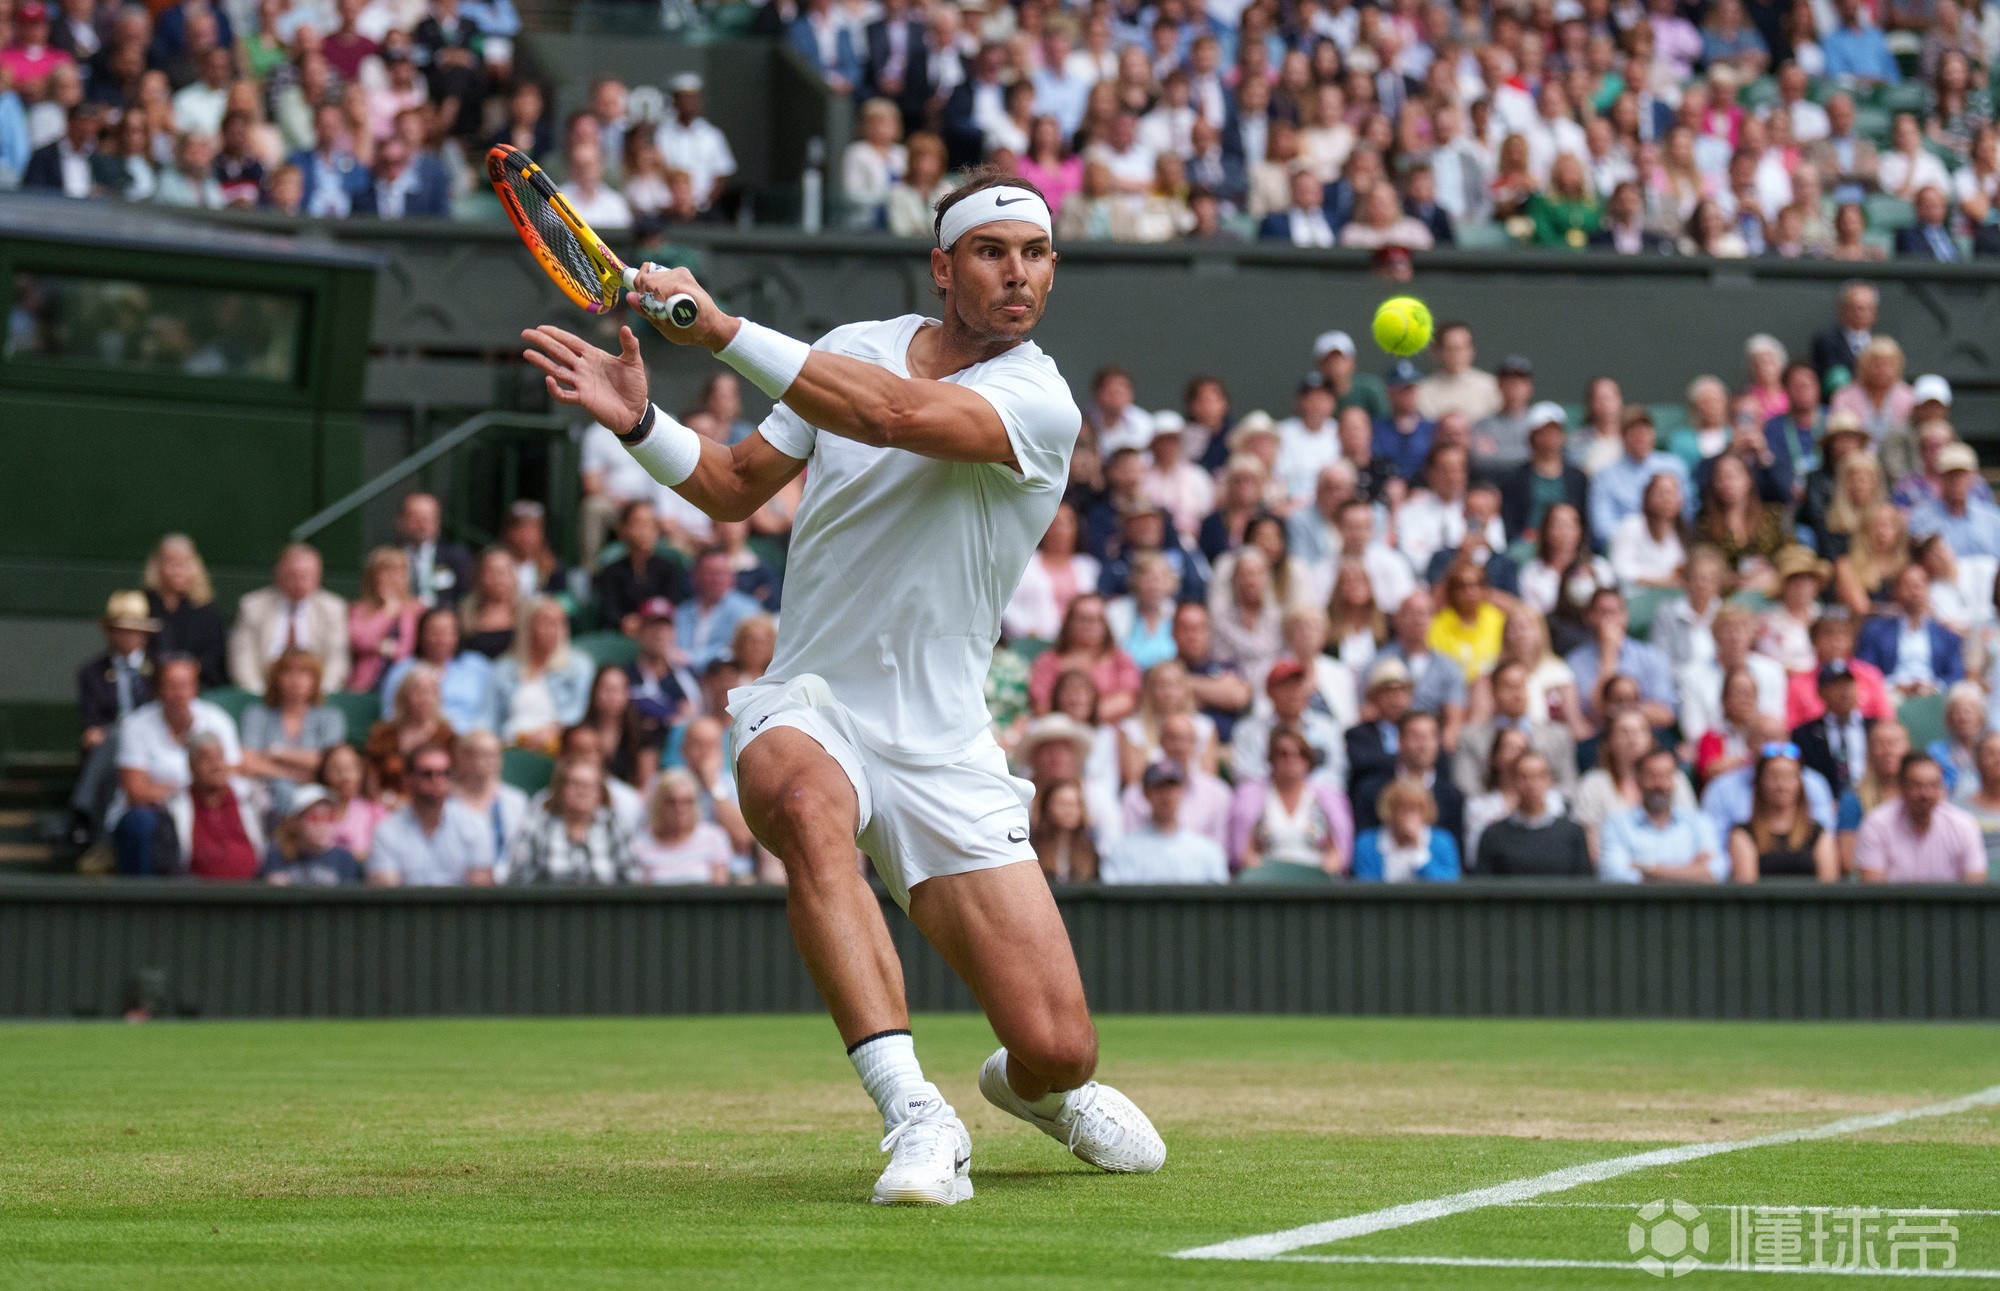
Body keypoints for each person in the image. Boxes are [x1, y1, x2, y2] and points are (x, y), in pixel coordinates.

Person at [521, 173, 1164, 1203]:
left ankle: (1031, 1091)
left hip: (945, 744)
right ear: (944, 267)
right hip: (812, 702)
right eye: (992, 252)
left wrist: (722, 329)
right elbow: (733, 487)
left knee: (1059, 1043)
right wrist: (642, 420)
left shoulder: (1038, 398)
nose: (1017, 273)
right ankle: (915, 1113)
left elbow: (889, 413)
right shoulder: (854, 345)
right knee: (799, 796)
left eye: (1034, 253)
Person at [108, 656, 241, 876]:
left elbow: (229, 775)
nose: (179, 693)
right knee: (140, 821)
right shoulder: (135, 726)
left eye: (185, 686)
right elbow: (137, 792)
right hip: (157, 815)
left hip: (205, 809)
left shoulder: (218, 720)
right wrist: (192, 787)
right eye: (171, 686)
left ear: (196, 688)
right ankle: (141, 901)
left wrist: (166, 787)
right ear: (158, 689)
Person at [1226, 726, 1352, 875]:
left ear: (1308, 759)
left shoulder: (1330, 797)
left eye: (1300, 754)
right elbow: (1244, 851)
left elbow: (1337, 852)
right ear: (1271, 758)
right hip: (1266, 881)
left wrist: (1318, 876)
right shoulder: (1249, 795)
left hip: (1315, 881)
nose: (1291, 760)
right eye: (1283, 754)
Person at [228, 543, 351, 694]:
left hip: (315, 696)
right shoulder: (252, 606)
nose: (299, 583)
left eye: (306, 576)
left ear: (318, 577)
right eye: (293, 575)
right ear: (278, 575)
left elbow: (337, 659)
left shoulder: (333, 608)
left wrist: (319, 693)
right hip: (262, 693)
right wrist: (258, 693)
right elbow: (242, 658)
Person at [367, 742, 495, 886]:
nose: (437, 780)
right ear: (408, 779)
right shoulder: (387, 830)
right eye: (427, 774)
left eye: (444, 773)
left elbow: (481, 889)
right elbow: (386, 891)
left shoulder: (474, 824)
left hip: (460, 908)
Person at [505, 756, 643, 884]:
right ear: (560, 789)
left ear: (600, 793)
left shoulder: (613, 824)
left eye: (590, 786)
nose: (582, 792)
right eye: (575, 784)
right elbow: (518, 879)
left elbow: (632, 878)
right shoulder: (536, 824)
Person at [1453, 659, 1580, 799]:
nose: (1518, 694)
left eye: (1522, 685)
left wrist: (1538, 808)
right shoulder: (1470, 738)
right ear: (1493, 691)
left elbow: (1568, 787)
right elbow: (1466, 788)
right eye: (1509, 686)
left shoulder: (1558, 735)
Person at [1855, 753, 1988, 882]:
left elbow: (1974, 887)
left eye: (1933, 785)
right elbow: (1873, 892)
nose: (1926, 794)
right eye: (1917, 786)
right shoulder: (1877, 824)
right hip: (1893, 905)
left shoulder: (1963, 825)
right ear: (1901, 787)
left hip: (1950, 905)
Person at [486, 597, 595, 752]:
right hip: (510, 744)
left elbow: (578, 712)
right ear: (528, 626)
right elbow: (488, 717)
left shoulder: (580, 666)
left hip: (558, 743)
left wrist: (551, 730)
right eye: (546, 622)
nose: (553, 629)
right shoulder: (503, 668)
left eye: (558, 623)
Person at [1600, 747, 1725, 883]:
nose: (1660, 785)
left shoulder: (1699, 822)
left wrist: (1649, 870)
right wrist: (1694, 870)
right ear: (1638, 780)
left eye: (1666, 776)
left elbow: (1718, 871)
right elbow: (1615, 873)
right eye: (1653, 776)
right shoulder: (1617, 824)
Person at [1099, 762, 1229, 884]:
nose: (1167, 796)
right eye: (1159, 788)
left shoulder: (1208, 851)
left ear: (1182, 792)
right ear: (1146, 793)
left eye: (1172, 787)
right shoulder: (1122, 850)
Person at [1566, 587, 1678, 729]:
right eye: (1604, 612)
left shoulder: (1652, 656)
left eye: (1616, 612)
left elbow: (1665, 714)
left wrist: (1623, 708)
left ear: (1625, 616)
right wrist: (1609, 655)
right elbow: (1597, 710)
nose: (1611, 619)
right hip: (1601, 739)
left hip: (1647, 736)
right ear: (1591, 617)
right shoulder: (1576, 661)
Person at [1727, 744, 1839, 881]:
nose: (1781, 785)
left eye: (1789, 776)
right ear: (1760, 782)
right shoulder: (1743, 834)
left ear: (1800, 783)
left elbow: (1828, 888)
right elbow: (1746, 890)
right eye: (1774, 776)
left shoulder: (1818, 833)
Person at [1471, 751, 1592, 877]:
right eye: (1524, 777)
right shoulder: (1493, 835)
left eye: (1539, 776)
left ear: (1549, 780)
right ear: (1513, 781)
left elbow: (1583, 886)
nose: (1531, 784)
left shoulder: (1572, 833)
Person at [239, 649, 346, 788]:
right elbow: (248, 762)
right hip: (265, 792)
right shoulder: (256, 714)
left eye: (304, 673)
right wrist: (297, 774)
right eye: (288, 672)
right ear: (276, 678)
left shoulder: (331, 716)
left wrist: (276, 753)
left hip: (318, 794)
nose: (296, 680)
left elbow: (330, 763)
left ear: (316, 680)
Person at [1589, 406, 1691, 548]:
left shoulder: (1674, 466)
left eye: (1645, 429)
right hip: (1624, 547)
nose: (1640, 436)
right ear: (1622, 436)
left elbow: (1687, 513)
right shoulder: (1605, 475)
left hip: (1670, 545)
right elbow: (1602, 527)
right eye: (1634, 431)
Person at [1857, 562, 1964, 697]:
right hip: (1890, 696)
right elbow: (1865, 671)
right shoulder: (1876, 631)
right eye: (1909, 585)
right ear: (1896, 591)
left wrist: (1934, 687)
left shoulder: (1946, 635)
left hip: (1933, 696)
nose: (1916, 591)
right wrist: (1893, 686)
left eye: (1920, 585)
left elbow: (1956, 675)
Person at [380, 607, 491, 735]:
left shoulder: (477, 667)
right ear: (421, 635)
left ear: (457, 635)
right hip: (418, 741)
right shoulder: (401, 671)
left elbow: (489, 715)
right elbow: (390, 716)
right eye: (434, 632)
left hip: (468, 742)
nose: (441, 639)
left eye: (447, 632)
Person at [594, 501, 691, 635]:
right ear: (623, 529)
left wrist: (647, 621)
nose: (645, 531)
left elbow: (674, 604)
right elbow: (610, 610)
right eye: (638, 524)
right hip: (622, 635)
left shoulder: (669, 567)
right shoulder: (612, 571)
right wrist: (623, 622)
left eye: (651, 525)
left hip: (660, 632)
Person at [142, 534, 227, 688]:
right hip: (150, 688)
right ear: (157, 566)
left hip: (197, 691)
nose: (178, 570)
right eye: (171, 562)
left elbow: (215, 663)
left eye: (185, 563)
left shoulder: (207, 612)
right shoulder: (143, 606)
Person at [1792, 658, 1877, 796]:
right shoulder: (1804, 735)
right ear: (1820, 692)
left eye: (1848, 683)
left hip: (1871, 801)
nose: (1844, 690)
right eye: (1835, 685)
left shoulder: (1875, 728)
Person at [1351, 778, 1460, 882]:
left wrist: (1418, 852)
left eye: (1416, 809)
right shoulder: (1367, 843)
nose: (1410, 816)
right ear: (1391, 810)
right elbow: (1366, 887)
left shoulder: (1442, 842)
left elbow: (1448, 886)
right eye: (1404, 809)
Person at [452, 729, 528, 869]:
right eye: (483, 754)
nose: (491, 761)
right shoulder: (448, 800)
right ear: (464, 758)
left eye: (495, 755)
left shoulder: (516, 800)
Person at [261, 785, 364, 886]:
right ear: (294, 822)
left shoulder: (344, 858)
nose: (321, 825)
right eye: (313, 818)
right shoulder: (277, 854)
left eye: (329, 818)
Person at [1910, 444, 2000, 560]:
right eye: (1950, 475)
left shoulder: (1993, 519)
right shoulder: (1921, 518)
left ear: (1973, 476)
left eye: (1962, 475)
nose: (1956, 480)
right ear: (1940, 477)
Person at [396, 491, 473, 608]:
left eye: (428, 518)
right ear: (400, 521)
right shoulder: (389, 558)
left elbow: (465, 597)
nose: (422, 525)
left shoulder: (456, 557)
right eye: (415, 518)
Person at [1030, 779, 1098, 884]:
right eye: (1062, 804)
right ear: (1047, 807)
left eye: (1075, 804)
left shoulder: (1089, 850)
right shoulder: (1032, 848)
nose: (1069, 811)